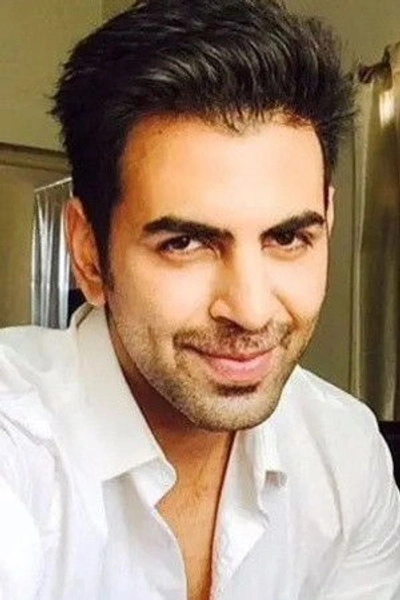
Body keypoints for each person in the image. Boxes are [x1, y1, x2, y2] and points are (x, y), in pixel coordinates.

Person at [1, 0, 399, 598]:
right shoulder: (15, 446)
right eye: (185, 243)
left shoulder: (346, 452)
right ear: (89, 253)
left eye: (288, 238)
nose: (251, 310)